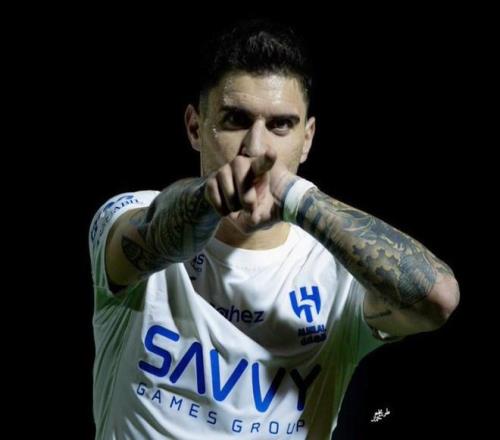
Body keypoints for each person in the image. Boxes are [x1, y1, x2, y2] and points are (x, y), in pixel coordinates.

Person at [88, 19, 460, 439]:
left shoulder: (337, 271)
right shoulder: (130, 213)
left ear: (307, 138)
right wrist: (207, 199)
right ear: (195, 127)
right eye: (235, 119)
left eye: (281, 125)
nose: (257, 147)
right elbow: (153, 231)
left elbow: (438, 299)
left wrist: (293, 194)